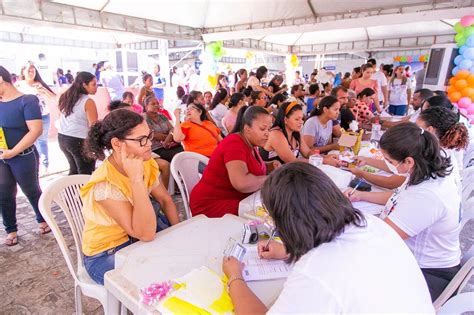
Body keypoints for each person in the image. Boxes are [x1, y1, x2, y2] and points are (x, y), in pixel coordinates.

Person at [222, 162, 434, 314]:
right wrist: (289, 250)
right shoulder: (372, 224)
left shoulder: (314, 272)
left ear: (286, 221)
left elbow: (327, 272)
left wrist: (235, 277)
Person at [345, 122, 461, 301]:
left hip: (427, 273)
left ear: (408, 161)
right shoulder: (423, 172)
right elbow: (397, 196)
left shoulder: (427, 195)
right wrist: (360, 196)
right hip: (416, 259)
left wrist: (342, 221)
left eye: (390, 162)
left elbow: (382, 236)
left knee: (352, 285)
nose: (387, 165)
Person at [81, 109, 180, 285]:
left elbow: (165, 200)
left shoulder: (145, 160)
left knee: (180, 263)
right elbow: (145, 234)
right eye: (142, 140)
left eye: (149, 136)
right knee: (157, 282)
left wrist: (180, 233)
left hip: (139, 237)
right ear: (117, 144)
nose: (149, 143)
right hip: (108, 251)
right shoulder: (104, 184)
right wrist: (136, 179)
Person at [190, 106, 279, 218]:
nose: (267, 133)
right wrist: (272, 179)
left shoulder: (251, 144)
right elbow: (241, 183)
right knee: (268, 214)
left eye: (269, 129)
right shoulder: (234, 144)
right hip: (211, 205)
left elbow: (247, 165)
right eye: (262, 129)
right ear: (247, 129)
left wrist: (269, 166)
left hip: (235, 200)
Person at [0, 66, 51, 246]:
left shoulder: (27, 100)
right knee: (4, 193)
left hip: (23, 155)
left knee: (31, 189)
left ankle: (43, 219)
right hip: (2, 158)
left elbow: (36, 130)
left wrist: (13, 151)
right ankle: (11, 229)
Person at [16, 61, 56, 174]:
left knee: (42, 141)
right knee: (30, 142)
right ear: (23, 72)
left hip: (43, 116)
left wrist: (43, 90)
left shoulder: (39, 83)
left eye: (33, 70)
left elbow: (54, 98)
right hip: (27, 118)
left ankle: (45, 165)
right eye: (28, 70)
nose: (31, 72)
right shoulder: (19, 85)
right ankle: (34, 166)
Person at [58, 71, 98, 175]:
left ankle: (70, 191)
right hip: (78, 140)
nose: (96, 87)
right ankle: (80, 191)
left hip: (63, 138)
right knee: (84, 174)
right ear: (84, 85)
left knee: (74, 171)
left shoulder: (66, 96)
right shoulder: (88, 101)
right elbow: (93, 126)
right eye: (93, 84)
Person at [417, 106, 469, 185]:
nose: (413, 131)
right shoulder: (442, 152)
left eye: (416, 128)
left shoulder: (432, 158)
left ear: (429, 130)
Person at [143, 96, 183, 162]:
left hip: (171, 144)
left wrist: (169, 137)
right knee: (178, 157)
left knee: (186, 151)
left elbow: (172, 129)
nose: (156, 105)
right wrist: (169, 137)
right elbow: (153, 134)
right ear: (146, 106)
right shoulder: (143, 118)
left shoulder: (162, 116)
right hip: (156, 148)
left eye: (157, 103)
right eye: (153, 104)